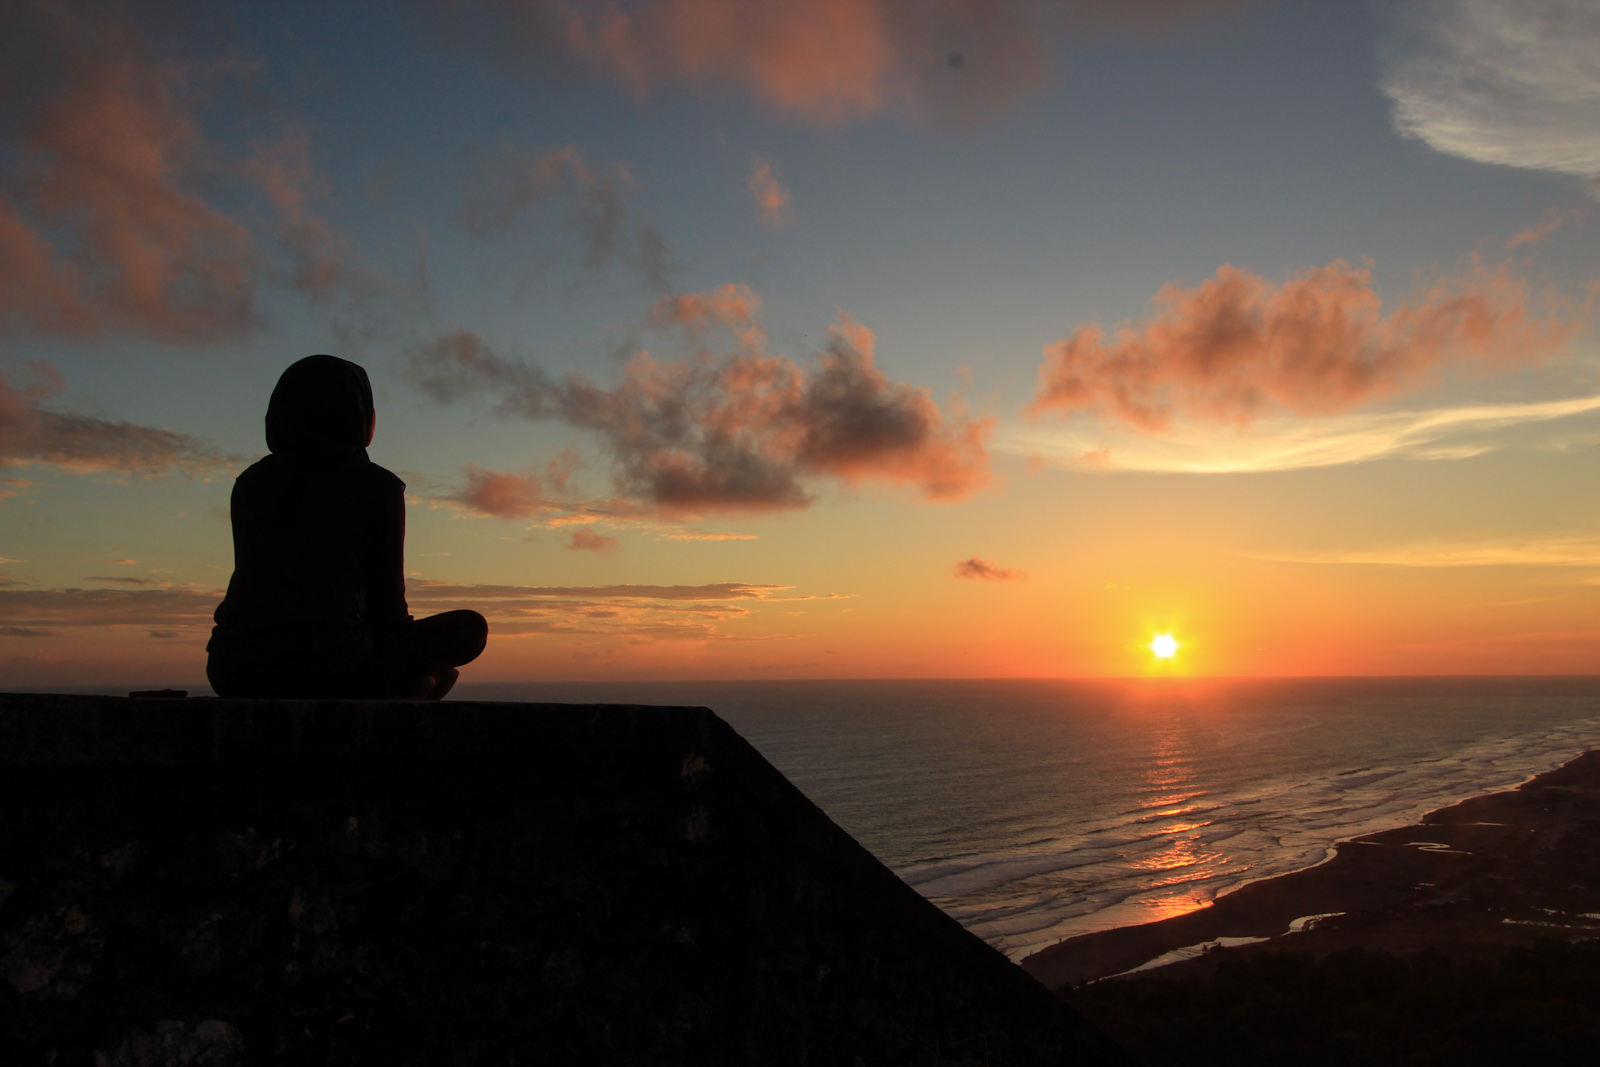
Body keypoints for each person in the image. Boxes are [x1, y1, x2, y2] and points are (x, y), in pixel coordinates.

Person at [207, 355, 487, 699]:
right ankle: (403, 688)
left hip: (234, 668)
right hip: (329, 666)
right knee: (470, 630)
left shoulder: (250, 483)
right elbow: (388, 612)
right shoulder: (376, 487)